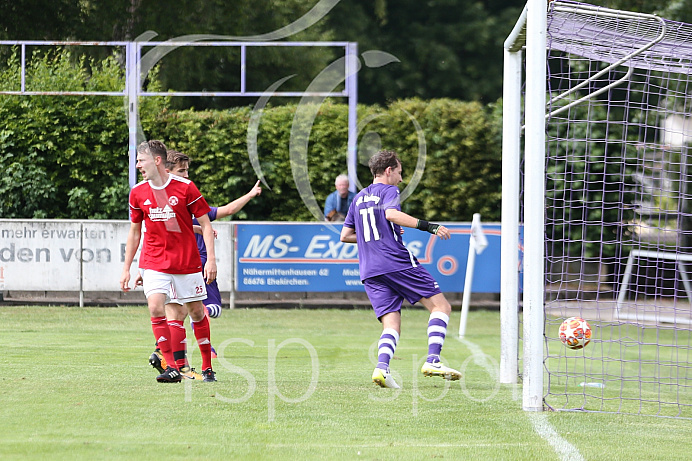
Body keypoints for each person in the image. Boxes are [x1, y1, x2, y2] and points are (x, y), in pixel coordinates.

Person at [340, 149, 462, 389]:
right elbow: (392, 214)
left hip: (370, 269)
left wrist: (382, 233)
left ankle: (382, 369)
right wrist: (430, 226)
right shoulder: (389, 190)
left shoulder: (359, 197)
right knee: (440, 306)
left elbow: (345, 236)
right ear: (388, 171)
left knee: (391, 324)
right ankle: (433, 360)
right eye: (399, 172)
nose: (401, 178)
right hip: (394, 261)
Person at [148, 149, 262, 378]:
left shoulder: (189, 196)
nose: (187, 175)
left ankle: (172, 359)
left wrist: (249, 195)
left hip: (188, 265)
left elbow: (225, 211)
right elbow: (162, 226)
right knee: (195, 312)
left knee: (182, 313)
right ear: (166, 171)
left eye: (188, 170)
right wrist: (199, 231)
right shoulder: (163, 198)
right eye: (182, 171)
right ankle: (179, 361)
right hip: (183, 265)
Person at [120, 140, 217, 383]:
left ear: (157, 160)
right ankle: (172, 367)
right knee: (156, 307)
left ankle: (207, 367)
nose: (138, 165)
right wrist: (127, 268)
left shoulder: (186, 188)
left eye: (141, 160)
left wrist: (211, 260)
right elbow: (134, 232)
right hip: (154, 262)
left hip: (186, 262)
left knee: (195, 312)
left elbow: (206, 224)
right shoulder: (137, 192)